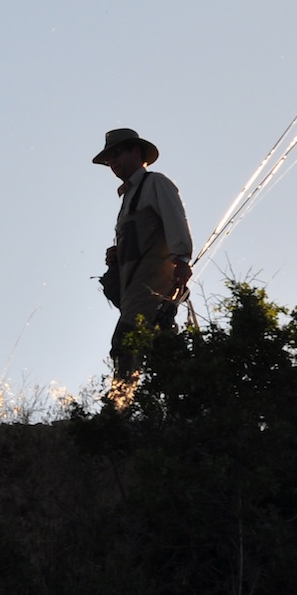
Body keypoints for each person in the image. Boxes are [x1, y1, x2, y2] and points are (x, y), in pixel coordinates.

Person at [94, 127, 192, 407]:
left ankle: (117, 410)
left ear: (137, 152)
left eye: (118, 153)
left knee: (125, 341)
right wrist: (118, 253)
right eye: (109, 158)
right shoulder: (127, 197)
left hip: (150, 286)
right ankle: (187, 403)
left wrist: (182, 261)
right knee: (163, 346)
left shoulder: (156, 183)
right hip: (134, 288)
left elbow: (176, 222)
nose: (113, 162)